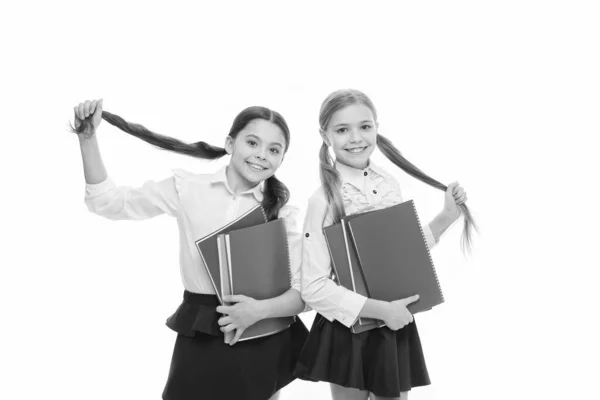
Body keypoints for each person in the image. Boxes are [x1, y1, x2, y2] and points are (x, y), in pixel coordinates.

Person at [72, 99, 308, 400]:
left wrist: (258, 311)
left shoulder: (282, 211)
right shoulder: (187, 189)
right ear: (229, 143)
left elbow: (305, 290)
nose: (262, 155)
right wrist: (88, 139)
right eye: (252, 142)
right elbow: (108, 202)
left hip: (261, 330)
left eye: (274, 150)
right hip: (201, 324)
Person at [294, 89, 476, 400]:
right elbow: (312, 287)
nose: (356, 138)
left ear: (377, 126)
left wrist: (447, 216)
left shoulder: (388, 184)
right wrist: (381, 310)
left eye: (365, 126)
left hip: (393, 322)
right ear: (325, 135)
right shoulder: (322, 199)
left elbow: (398, 255)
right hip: (348, 326)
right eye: (342, 129)